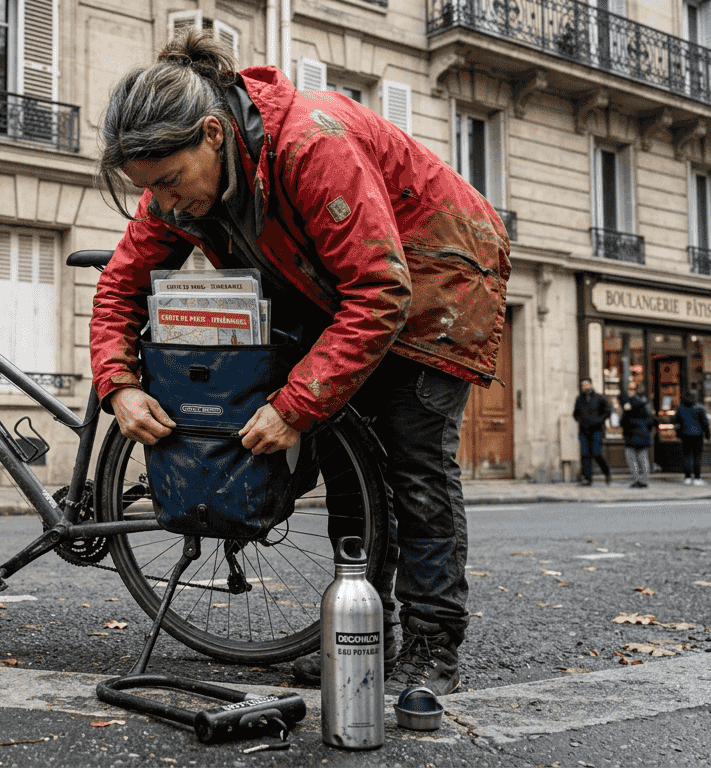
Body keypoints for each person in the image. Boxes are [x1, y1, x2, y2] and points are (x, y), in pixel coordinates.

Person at [89, 31, 509, 696]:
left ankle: (433, 645)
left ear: (212, 134)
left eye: (169, 182)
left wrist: (293, 405)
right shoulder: (173, 184)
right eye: (152, 190)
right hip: (336, 288)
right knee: (350, 475)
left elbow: (380, 291)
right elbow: (121, 285)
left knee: (413, 464)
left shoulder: (313, 142)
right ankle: (365, 634)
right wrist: (118, 385)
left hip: (436, 286)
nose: (165, 203)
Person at [572, 378, 612, 486]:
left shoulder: (599, 398)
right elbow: (575, 414)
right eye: (583, 385)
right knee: (585, 454)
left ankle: (607, 472)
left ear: (591, 384)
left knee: (596, 453)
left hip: (597, 430)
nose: (585, 386)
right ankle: (588, 479)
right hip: (584, 430)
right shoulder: (579, 399)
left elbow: (608, 411)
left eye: (586, 384)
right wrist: (580, 420)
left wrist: (599, 420)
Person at [620, 386, 654, 488]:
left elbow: (622, 422)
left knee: (632, 459)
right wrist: (646, 430)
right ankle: (645, 480)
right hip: (643, 435)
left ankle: (636, 479)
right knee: (643, 459)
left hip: (630, 436)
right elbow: (650, 421)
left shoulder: (628, 409)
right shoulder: (644, 406)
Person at [672, 393, 709, 485]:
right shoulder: (700, 407)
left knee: (687, 456)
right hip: (698, 435)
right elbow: (705, 423)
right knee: (697, 457)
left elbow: (675, 421)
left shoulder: (680, 408)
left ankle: (687, 477)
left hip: (685, 435)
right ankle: (697, 478)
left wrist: (678, 432)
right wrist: (708, 435)